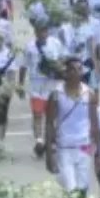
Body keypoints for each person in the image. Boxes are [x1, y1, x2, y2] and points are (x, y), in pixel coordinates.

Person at [44, 57, 100, 198]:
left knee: (83, 193)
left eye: (79, 69)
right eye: (73, 69)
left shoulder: (89, 94)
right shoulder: (56, 95)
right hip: (64, 148)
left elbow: (95, 124)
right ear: (66, 73)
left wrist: (99, 153)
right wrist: (49, 154)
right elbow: (49, 123)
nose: (77, 73)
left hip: (84, 148)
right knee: (71, 191)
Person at [19, 22, 67, 158]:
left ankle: (51, 141)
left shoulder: (55, 43)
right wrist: (21, 84)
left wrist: (58, 68)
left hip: (53, 85)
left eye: (45, 31)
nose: (43, 34)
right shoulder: (29, 47)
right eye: (40, 31)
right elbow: (23, 66)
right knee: (37, 114)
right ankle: (39, 141)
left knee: (52, 116)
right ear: (35, 32)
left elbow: (63, 59)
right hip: (36, 86)